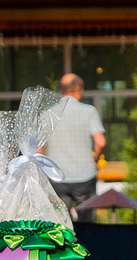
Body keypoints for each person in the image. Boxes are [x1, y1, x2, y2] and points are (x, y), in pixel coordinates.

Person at [46, 72, 107, 204]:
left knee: (62, 216)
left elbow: (39, 149)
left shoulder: (49, 113)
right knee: (86, 216)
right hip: (85, 175)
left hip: (57, 176)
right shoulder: (89, 111)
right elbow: (101, 142)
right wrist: (95, 159)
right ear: (78, 89)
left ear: (61, 90)